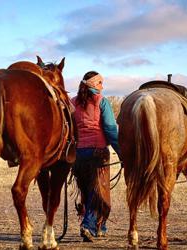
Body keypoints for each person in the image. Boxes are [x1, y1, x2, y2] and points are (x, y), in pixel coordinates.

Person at [71, 71, 120, 242]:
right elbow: (111, 130)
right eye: (99, 83)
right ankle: (89, 225)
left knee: (87, 191)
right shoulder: (102, 102)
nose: (102, 86)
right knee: (98, 191)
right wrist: (121, 152)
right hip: (98, 152)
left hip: (79, 154)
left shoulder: (72, 103)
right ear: (92, 84)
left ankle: (101, 226)